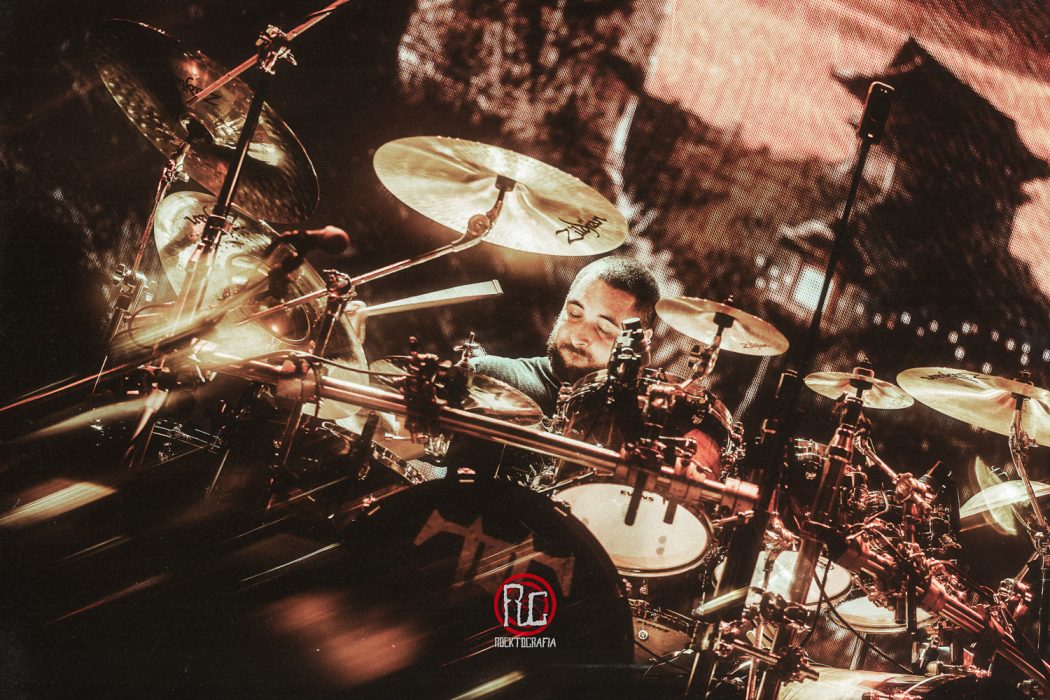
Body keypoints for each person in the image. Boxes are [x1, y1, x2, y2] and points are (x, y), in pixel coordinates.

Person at [470, 255, 661, 417]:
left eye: (604, 328)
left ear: (642, 339)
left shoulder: (642, 420)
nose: (578, 337)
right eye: (574, 314)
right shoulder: (487, 377)